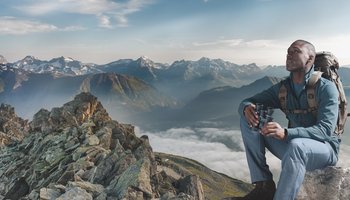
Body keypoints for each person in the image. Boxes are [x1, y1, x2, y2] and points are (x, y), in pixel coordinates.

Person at [223, 40, 340, 200]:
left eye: (295, 51)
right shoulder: (283, 89)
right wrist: (246, 108)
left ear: (310, 59)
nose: (289, 54)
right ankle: (264, 186)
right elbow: (249, 100)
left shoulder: (326, 88)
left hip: (324, 151)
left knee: (296, 145)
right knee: (249, 118)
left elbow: (325, 131)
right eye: (288, 51)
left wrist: (286, 133)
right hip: (293, 147)